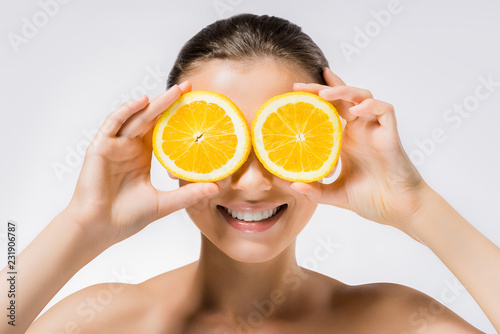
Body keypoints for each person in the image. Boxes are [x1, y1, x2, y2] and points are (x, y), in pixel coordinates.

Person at [2, 13, 498, 334]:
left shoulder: (396, 322)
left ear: (329, 143)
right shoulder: (109, 322)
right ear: (171, 146)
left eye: (278, 142)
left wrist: (418, 207)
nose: (254, 184)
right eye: (221, 144)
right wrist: (82, 224)